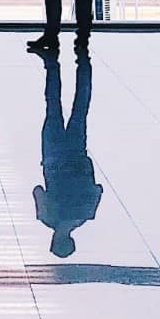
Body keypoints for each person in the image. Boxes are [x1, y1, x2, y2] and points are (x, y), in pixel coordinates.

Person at [32, 45, 100, 258]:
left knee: (81, 107)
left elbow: (97, 189)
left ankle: (83, 62)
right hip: (53, 156)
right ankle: (51, 62)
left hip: (76, 153)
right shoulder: (47, 217)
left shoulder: (86, 215)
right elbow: (37, 190)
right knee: (53, 105)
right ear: (54, 239)